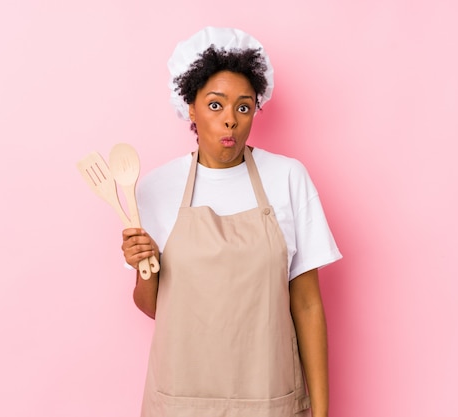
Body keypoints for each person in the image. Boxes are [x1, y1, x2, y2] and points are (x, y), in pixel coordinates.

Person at [121, 26, 342, 417]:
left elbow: (307, 305)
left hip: (269, 400)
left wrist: (322, 414)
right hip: (181, 402)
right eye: (215, 104)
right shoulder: (155, 188)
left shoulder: (288, 178)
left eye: (243, 107)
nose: (230, 121)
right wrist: (143, 269)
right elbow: (155, 306)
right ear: (191, 107)